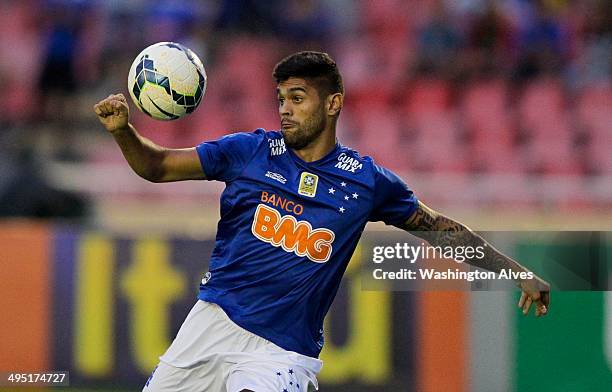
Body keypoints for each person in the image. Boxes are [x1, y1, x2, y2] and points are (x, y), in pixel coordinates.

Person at [94, 51, 550, 392]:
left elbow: (440, 229)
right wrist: (123, 132)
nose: (285, 109)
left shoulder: (367, 182)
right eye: (280, 99)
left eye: (298, 98)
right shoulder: (248, 152)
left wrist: (516, 272)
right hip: (210, 325)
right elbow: (157, 167)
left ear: (333, 104)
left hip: (281, 353)